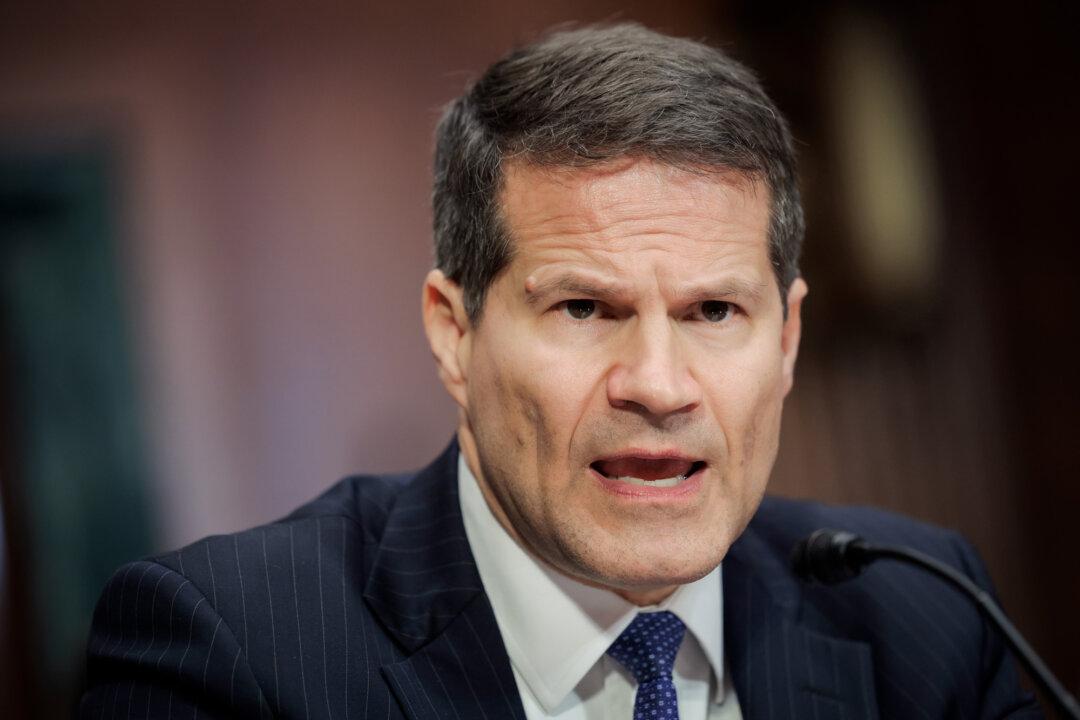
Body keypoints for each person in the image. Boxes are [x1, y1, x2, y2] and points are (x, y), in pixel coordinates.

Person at [80, 23, 1041, 720]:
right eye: (584, 309)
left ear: (785, 341)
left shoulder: (926, 618)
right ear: (455, 334)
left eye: (714, 312)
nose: (659, 386)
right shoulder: (227, 654)